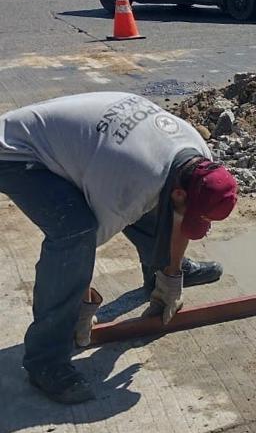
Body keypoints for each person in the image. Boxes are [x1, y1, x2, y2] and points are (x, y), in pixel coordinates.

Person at [0, 92, 238, 405]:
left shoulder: (198, 156)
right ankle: (45, 360)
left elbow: (179, 214)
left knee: (152, 201)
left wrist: (171, 277)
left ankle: (157, 274)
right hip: (17, 153)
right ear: (181, 192)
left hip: (86, 148)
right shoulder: (130, 180)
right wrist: (81, 310)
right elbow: (85, 249)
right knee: (75, 232)